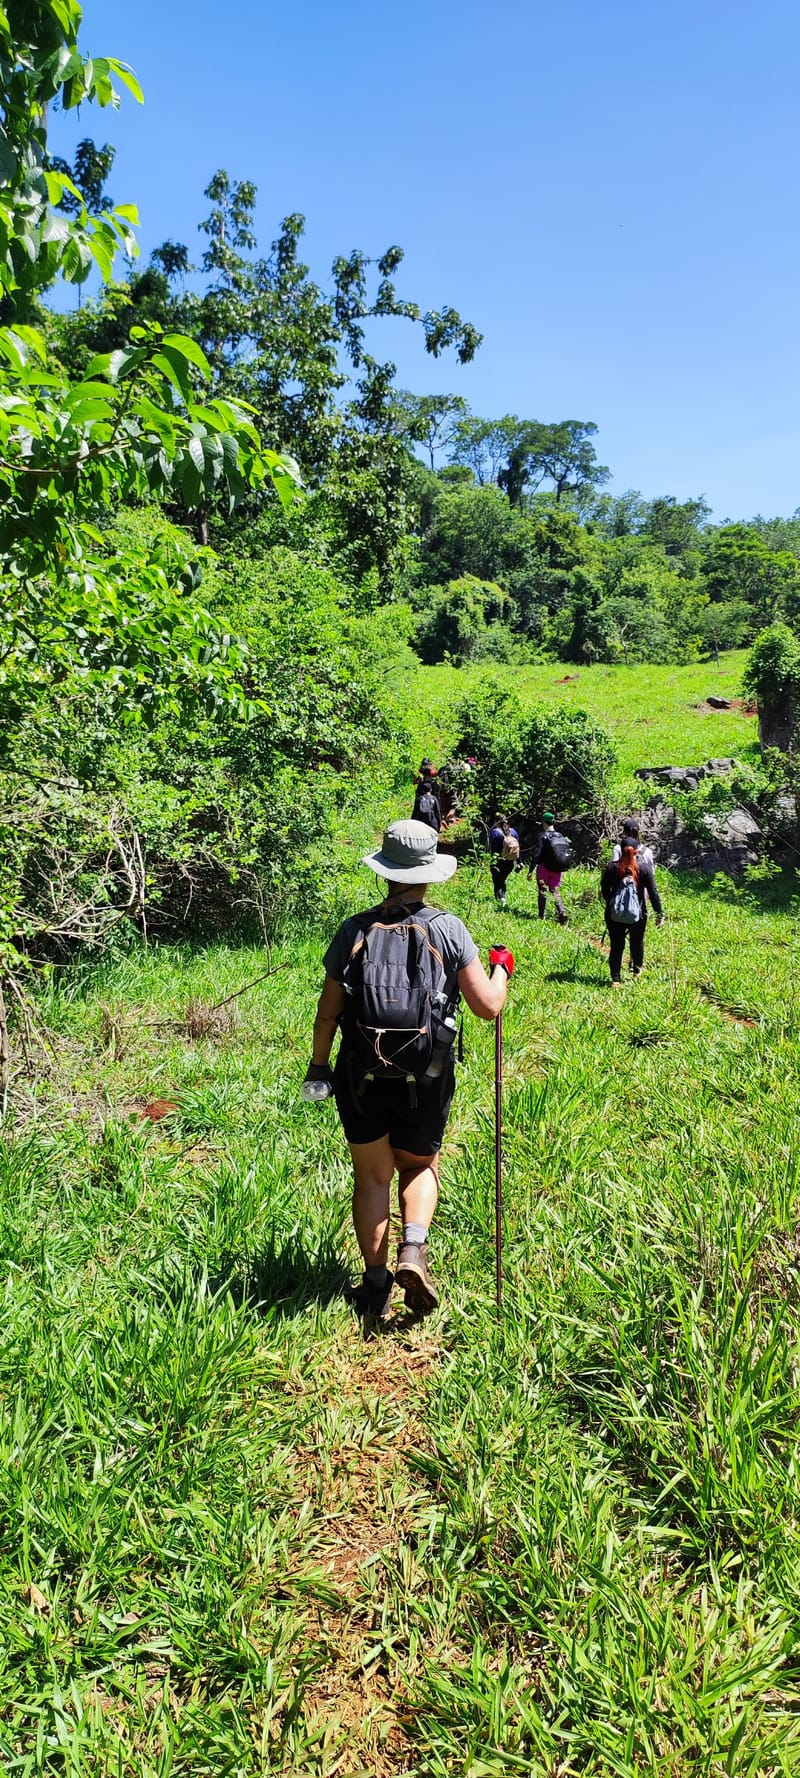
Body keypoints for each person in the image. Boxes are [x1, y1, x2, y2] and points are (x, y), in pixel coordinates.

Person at [303, 819, 513, 1319]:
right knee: (418, 1165)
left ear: (386, 871)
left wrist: (318, 1066)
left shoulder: (354, 930)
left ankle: (375, 1286)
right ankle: (413, 1250)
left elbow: (328, 1011)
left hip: (360, 1073)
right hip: (429, 1073)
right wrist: (501, 967)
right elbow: (487, 1007)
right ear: (429, 872)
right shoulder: (448, 929)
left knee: (371, 1177)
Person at [599, 840, 664, 986]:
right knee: (636, 943)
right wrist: (659, 913)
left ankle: (616, 980)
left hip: (614, 914)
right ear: (636, 851)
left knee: (616, 945)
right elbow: (653, 893)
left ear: (620, 850)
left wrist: (613, 904)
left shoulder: (612, 867)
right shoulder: (644, 868)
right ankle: (636, 972)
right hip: (638, 914)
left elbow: (604, 890)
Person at [527, 812, 569, 924]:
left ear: (544, 823)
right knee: (555, 890)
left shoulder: (543, 836)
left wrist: (530, 870)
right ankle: (562, 911)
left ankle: (541, 916)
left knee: (542, 891)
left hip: (544, 868)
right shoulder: (560, 836)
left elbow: (537, 854)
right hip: (557, 869)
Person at [488, 813, 520, 908]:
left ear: (496, 822)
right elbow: (518, 847)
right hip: (510, 862)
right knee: (503, 879)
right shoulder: (513, 831)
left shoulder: (494, 832)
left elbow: (492, 848)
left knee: (497, 880)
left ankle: (500, 899)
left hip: (497, 861)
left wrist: (491, 861)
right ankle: (502, 897)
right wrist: (519, 861)